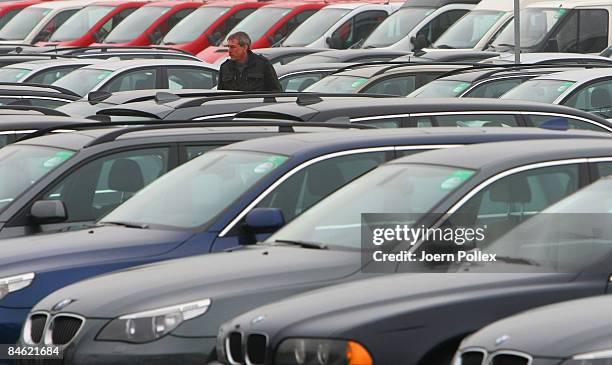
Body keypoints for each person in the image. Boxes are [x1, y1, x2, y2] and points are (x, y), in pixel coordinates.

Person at [217, 31, 282, 92]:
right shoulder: (225, 67)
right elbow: (219, 94)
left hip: (256, 103)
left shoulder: (262, 64)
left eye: (233, 47)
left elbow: (276, 91)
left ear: (245, 47)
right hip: (232, 103)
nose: (229, 51)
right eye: (228, 47)